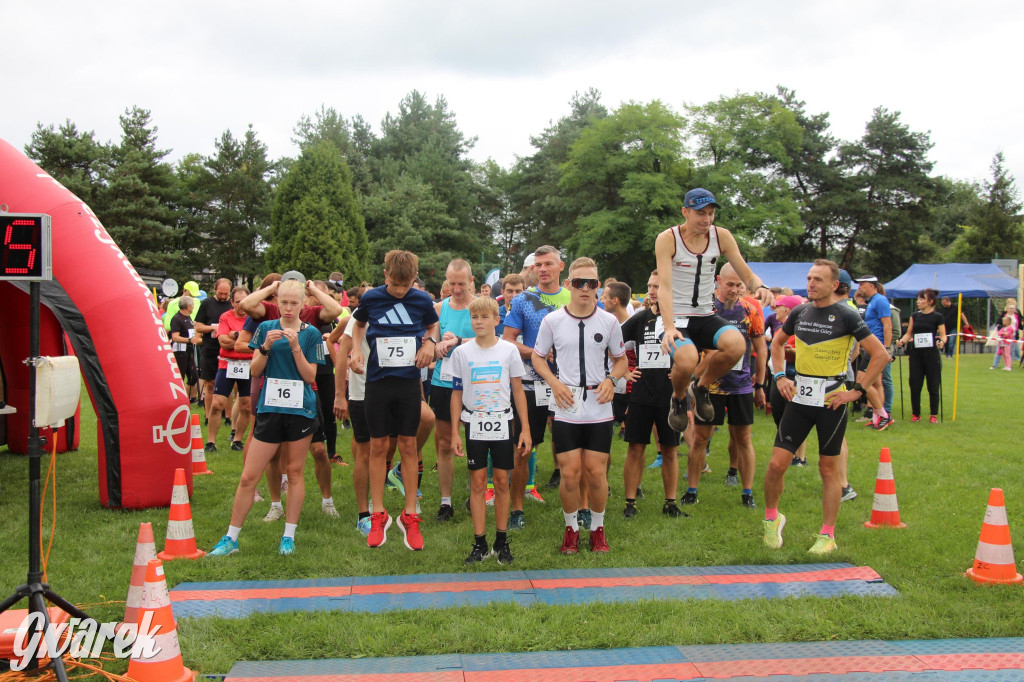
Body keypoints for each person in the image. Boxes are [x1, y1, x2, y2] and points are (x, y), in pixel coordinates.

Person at [763, 260, 888, 555]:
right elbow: (777, 345)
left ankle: (827, 535)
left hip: (831, 400)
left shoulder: (846, 314)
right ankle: (771, 518)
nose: (811, 284)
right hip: (800, 398)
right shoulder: (799, 312)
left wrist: (856, 391)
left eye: (818, 279)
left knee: (827, 469)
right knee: (776, 465)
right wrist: (780, 376)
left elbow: (880, 354)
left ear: (835, 285)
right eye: (809, 278)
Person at [209, 277, 325, 556]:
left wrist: (296, 347)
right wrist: (265, 348)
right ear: (276, 302)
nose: (287, 308)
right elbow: (256, 370)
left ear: (302, 304)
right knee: (249, 475)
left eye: (293, 303)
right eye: (283, 302)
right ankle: (230, 538)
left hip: (300, 409)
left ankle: (289, 536)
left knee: (295, 472)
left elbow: (310, 376)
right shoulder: (265, 328)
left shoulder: (310, 334)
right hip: (269, 409)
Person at [654, 188, 773, 431]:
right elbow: (664, 287)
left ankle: (701, 387)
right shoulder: (668, 238)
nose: (706, 220)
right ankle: (678, 398)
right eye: (700, 214)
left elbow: (745, 273)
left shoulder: (722, 237)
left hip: (706, 315)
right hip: (676, 316)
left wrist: (759, 285)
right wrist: (668, 327)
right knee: (688, 360)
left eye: (711, 214)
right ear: (685, 212)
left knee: (737, 345)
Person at [531, 257, 628, 554]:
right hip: (567, 404)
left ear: (598, 287)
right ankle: (571, 529)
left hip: (598, 405)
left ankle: (598, 529)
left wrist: (612, 379)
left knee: (597, 473)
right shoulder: (552, 321)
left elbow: (621, 359)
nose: (585, 289)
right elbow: (537, 357)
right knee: (570, 473)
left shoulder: (610, 321)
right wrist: (555, 382)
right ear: (568, 285)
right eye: (579, 283)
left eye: (591, 284)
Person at [350, 250, 440, 550]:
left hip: (408, 384)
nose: (401, 291)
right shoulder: (372, 298)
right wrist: (356, 350)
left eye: (406, 285)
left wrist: (430, 343)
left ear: (413, 280)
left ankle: (409, 514)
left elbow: (432, 326)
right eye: (395, 284)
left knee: (409, 445)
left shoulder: (422, 300)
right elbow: (359, 325)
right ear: (385, 275)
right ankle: (378, 513)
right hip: (377, 382)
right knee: (378, 446)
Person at [449, 296, 531, 565]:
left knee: (502, 481)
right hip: (474, 423)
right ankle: (480, 543)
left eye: (485, 317)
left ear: (497, 320)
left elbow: (518, 390)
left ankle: (502, 539)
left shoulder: (508, 350)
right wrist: (453, 432)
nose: (479, 322)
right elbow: (457, 393)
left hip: (502, 422)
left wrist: (525, 428)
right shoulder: (462, 353)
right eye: (474, 317)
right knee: (477, 483)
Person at [501, 246, 571, 530]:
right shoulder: (523, 300)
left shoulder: (575, 296)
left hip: (569, 384)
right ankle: (517, 508)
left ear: (560, 266)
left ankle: (579, 506)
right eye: (538, 265)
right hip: (530, 385)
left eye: (548, 264)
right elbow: (507, 341)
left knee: (572, 447)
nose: (543, 269)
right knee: (523, 448)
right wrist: (536, 353)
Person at [684, 264, 766, 508]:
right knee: (700, 439)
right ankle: (692, 490)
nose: (735, 289)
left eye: (739, 285)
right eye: (730, 284)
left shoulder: (750, 309)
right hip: (710, 386)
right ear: (718, 281)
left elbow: (761, 349)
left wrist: (760, 384)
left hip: (740, 384)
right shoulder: (705, 309)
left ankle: (747, 492)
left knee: (743, 438)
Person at [620, 270, 686, 519]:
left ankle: (670, 503)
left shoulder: (681, 320)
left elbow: (700, 352)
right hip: (641, 394)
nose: (651, 290)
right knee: (635, 447)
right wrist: (625, 370)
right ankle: (630, 503)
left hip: (670, 395)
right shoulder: (640, 318)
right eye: (649, 285)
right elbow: (612, 342)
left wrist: (684, 373)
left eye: (657, 286)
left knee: (669, 449)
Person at [426, 259, 477, 523]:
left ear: (471, 280)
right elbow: (430, 341)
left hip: (476, 382)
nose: (456, 289)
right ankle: (446, 502)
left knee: (475, 443)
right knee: (445, 443)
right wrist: (435, 345)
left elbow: (490, 338)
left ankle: (475, 495)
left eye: (461, 283)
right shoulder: (438, 308)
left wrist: (458, 341)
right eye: (452, 283)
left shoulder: (480, 307)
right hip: (444, 382)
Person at [207, 286, 253, 451]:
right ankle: (211, 442)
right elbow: (223, 342)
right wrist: (241, 340)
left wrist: (235, 336)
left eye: (245, 301)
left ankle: (237, 440)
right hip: (227, 364)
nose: (241, 305)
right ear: (232, 302)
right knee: (217, 404)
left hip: (248, 365)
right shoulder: (225, 317)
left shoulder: (254, 318)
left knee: (246, 405)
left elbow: (256, 345)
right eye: (238, 302)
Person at [897, 289, 946, 422]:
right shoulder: (914, 316)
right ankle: (916, 414)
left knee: (933, 385)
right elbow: (909, 334)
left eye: (921, 299)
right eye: (918, 299)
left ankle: (933, 414)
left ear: (930, 301)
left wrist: (942, 342)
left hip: (931, 354)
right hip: (916, 355)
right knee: (915, 384)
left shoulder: (938, 317)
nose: (918, 302)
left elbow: (943, 335)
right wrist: (902, 341)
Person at [854, 276, 894, 431]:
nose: (859, 288)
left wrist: (886, 348)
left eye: (862, 285)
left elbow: (887, 325)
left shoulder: (880, 300)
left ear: (871, 285)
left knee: (862, 381)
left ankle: (884, 415)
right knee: (876, 383)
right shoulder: (873, 301)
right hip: (871, 347)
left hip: (876, 348)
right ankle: (877, 417)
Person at [194, 279, 233, 421]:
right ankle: (209, 416)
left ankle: (228, 416)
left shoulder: (232, 305)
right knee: (209, 383)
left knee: (227, 384)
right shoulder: (206, 304)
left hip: (228, 350)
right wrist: (213, 328)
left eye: (226, 294)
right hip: (209, 349)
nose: (223, 296)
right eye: (220, 293)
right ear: (214, 289)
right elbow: (198, 326)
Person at [169, 296, 200, 402]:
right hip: (180, 351)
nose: (193, 307)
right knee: (180, 377)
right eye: (192, 305)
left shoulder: (188, 318)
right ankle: (178, 399)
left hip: (189, 350)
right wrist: (188, 340)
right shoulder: (177, 318)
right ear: (188, 306)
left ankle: (190, 398)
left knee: (194, 376)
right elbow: (175, 337)